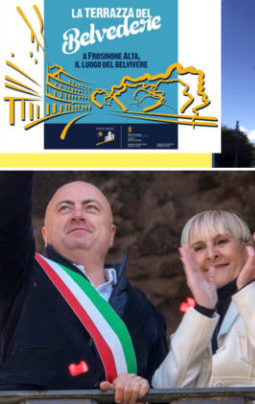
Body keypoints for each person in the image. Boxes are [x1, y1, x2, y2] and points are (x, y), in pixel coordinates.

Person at [0, 172, 167, 404]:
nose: (78, 215)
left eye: (91, 208)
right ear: (45, 235)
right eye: (65, 208)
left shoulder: (146, 313)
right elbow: (8, 212)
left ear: (111, 235)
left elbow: (166, 390)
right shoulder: (19, 277)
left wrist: (142, 391)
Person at [152, 210, 255, 395]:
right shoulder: (195, 320)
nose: (211, 254)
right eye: (199, 247)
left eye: (221, 242)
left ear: (247, 247)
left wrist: (248, 288)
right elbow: (165, 389)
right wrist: (202, 310)